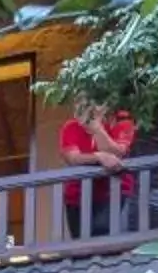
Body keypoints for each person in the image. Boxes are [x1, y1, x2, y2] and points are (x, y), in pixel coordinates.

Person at [59, 99, 139, 237]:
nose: (85, 107)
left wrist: (96, 128)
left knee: (102, 232)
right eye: (80, 102)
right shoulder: (71, 126)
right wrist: (98, 156)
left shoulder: (122, 123)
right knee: (81, 244)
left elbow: (115, 155)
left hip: (114, 189)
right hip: (77, 195)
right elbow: (72, 158)